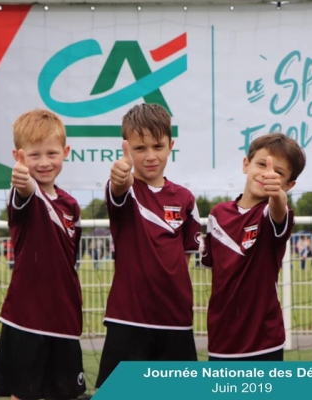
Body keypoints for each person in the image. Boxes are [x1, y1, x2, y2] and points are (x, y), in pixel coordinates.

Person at [95, 103, 202, 388]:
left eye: (158, 146)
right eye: (140, 148)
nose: (151, 156)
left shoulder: (185, 198)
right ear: (126, 148)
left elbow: (188, 255)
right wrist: (119, 177)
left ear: (171, 146)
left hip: (176, 319)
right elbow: (117, 187)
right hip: (128, 318)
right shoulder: (125, 190)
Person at [0, 109, 86, 400]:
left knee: (65, 393)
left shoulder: (71, 205)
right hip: (26, 318)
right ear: (19, 156)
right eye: (34, 156)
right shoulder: (25, 197)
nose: (44, 163)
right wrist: (22, 179)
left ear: (66, 152)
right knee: (23, 394)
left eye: (52, 153)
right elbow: (26, 188)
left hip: (65, 317)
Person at [201, 133, 306, 361]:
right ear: (246, 164)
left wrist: (277, 195)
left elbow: (278, 210)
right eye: (261, 164)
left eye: (278, 173)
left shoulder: (272, 214)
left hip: (263, 341)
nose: (267, 174)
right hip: (220, 338)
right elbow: (210, 264)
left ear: (289, 185)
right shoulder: (218, 214)